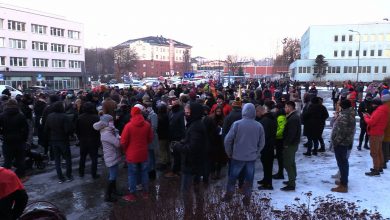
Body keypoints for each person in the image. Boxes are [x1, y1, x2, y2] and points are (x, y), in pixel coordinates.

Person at [223, 103, 265, 205]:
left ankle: (229, 195)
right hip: (251, 158)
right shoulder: (259, 125)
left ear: (244, 111)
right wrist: (256, 152)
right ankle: (247, 198)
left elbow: (227, 140)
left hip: (237, 156)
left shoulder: (237, 124)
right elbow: (262, 143)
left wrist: (229, 152)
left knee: (233, 177)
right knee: (249, 179)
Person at [173, 103, 209, 193]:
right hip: (194, 161)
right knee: (193, 187)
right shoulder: (194, 123)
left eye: (188, 113)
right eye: (186, 113)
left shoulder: (195, 126)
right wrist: (183, 141)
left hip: (191, 162)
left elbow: (192, 147)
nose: (186, 115)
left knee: (186, 189)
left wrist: (178, 146)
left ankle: (188, 205)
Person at [121, 104, 153, 202]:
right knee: (144, 173)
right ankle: (145, 193)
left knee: (132, 174)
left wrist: (125, 150)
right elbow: (150, 138)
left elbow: (123, 141)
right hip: (143, 153)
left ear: (132, 114)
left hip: (132, 155)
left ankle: (132, 194)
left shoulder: (128, 126)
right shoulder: (147, 124)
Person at [93, 114, 121, 202]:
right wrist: (117, 135)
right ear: (106, 123)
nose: (112, 122)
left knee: (114, 174)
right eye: (111, 121)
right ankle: (107, 196)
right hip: (111, 156)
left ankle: (114, 191)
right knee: (112, 175)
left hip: (112, 155)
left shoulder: (107, 131)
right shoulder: (106, 133)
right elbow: (118, 144)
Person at [44, 101, 73, 183]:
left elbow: (46, 129)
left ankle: (60, 177)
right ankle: (68, 175)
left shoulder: (50, 116)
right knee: (67, 158)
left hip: (53, 140)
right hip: (63, 139)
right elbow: (68, 130)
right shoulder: (64, 116)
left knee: (57, 159)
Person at [330, 100, 356, 193]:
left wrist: (335, 142)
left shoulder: (345, 116)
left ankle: (343, 185)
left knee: (342, 163)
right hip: (345, 142)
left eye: (339, 106)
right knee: (343, 163)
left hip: (342, 143)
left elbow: (342, 132)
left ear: (342, 107)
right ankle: (343, 181)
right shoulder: (349, 114)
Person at [0, 99, 29, 179]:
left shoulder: (2, 115)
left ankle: (5, 177)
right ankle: (21, 176)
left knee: (7, 160)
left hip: (7, 140)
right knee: (20, 159)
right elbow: (26, 129)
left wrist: (2, 134)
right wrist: (24, 139)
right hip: (19, 140)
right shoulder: (20, 115)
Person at [364, 96, 389, 176]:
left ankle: (376, 169)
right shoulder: (384, 109)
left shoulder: (379, 111)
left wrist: (365, 117)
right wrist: (369, 116)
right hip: (380, 132)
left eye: (373, 104)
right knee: (379, 151)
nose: (372, 106)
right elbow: (376, 120)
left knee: (374, 152)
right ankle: (380, 166)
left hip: (375, 133)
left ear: (376, 104)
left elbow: (371, 122)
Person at [76, 102, 101, 179]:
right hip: (94, 140)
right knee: (94, 158)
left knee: (82, 157)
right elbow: (99, 130)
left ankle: (81, 172)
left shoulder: (80, 117)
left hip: (83, 140)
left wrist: (80, 138)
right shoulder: (96, 117)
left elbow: (77, 130)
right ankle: (94, 174)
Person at [256, 103, 277, 190]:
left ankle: (268, 184)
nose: (256, 114)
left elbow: (263, 136)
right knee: (267, 165)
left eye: (256, 112)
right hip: (270, 145)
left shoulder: (264, 121)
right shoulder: (270, 118)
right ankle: (265, 180)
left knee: (267, 166)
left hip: (266, 146)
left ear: (260, 111)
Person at [281, 101, 301, 191]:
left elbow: (291, 134)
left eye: (286, 107)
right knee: (291, 162)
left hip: (290, 145)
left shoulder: (293, 118)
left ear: (290, 108)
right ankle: (292, 178)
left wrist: (286, 144)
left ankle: (291, 184)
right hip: (293, 144)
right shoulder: (293, 117)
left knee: (288, 163)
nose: (285, 109)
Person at [272, 102, 287, 179]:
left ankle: (280, 173)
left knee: (280, 157)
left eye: (276, 108)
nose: (275, 109)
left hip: (280, 139)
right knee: (279, 157)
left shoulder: (280, 117)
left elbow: (282, 129)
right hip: (279, 139)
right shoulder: (281, 116)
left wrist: (275, 134)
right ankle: (280, 172)